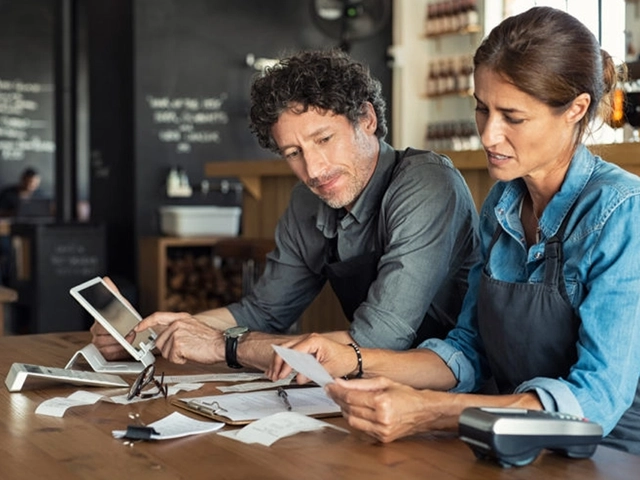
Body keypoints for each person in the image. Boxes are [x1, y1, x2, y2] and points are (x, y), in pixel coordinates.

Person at [269, 7, 640, 455]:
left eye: (512, 117)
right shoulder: (501, 207)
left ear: (576, 109)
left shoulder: (623, 213)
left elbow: (594, 403)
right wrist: (352, 360)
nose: (488, 135)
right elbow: (467, 350)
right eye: (482, 109)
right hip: (509, 443)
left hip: (611, 455)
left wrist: (431, 411)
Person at [92, 48, 480, 371]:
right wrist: (155, 331)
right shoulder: (307, 201)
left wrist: (223, 346)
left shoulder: (426, 184)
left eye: (324, 139)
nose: (313, 170)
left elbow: (378, 340)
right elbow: (263, 311)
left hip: (457, 389)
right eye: (293, 153)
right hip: (373, 389)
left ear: (367, 119)